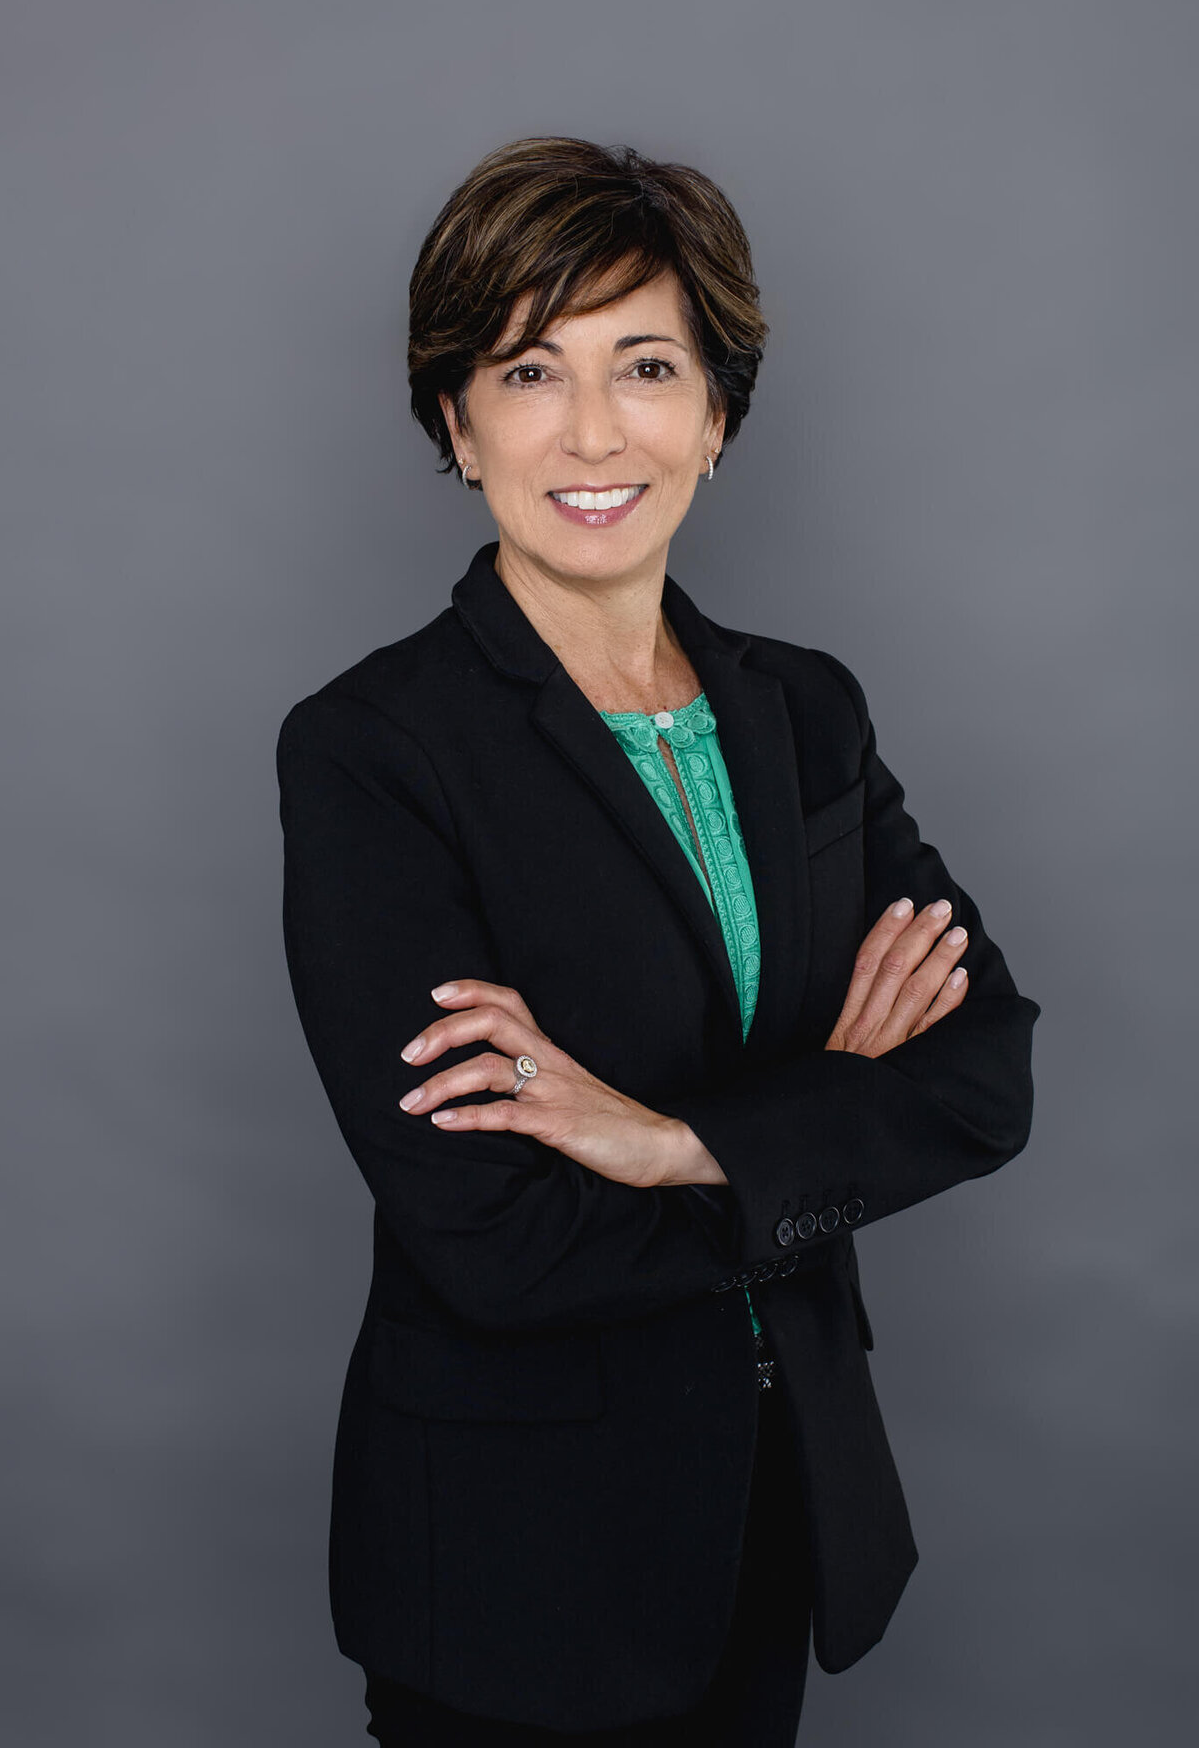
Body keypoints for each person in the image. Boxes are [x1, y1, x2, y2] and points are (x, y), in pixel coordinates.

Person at [275, 136, 1041, 1746]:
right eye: (527, 370)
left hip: (779, 1510)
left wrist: (668, 1142)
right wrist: (822, 1114)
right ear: (456, 423)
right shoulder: (374, 751)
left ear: (716, 418)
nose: (593, 430)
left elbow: (984, 1080)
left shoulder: (805, 713)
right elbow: (490, 1237)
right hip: (516, 1566)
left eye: (645, 366)